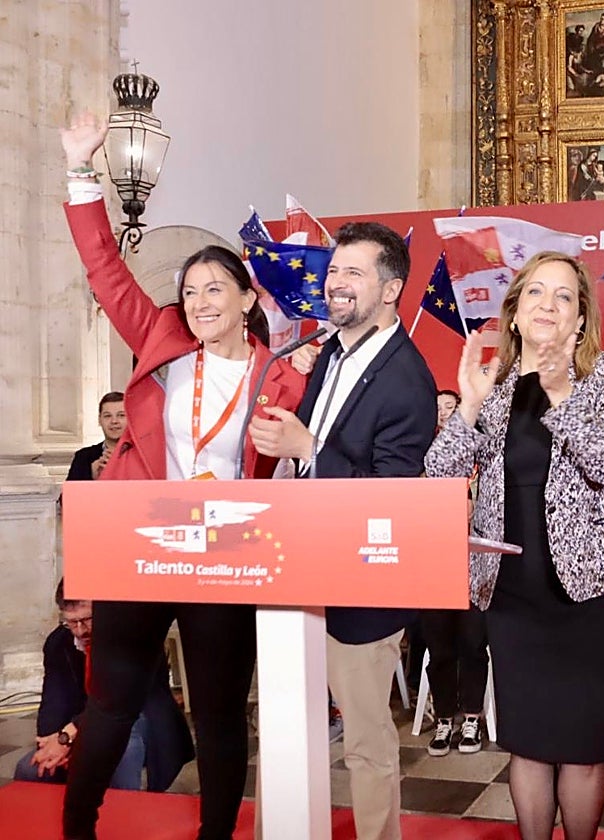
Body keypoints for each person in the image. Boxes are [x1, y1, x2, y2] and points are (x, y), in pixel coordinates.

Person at [59, 112, 307, 840]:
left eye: (214, 290)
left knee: (222, 712)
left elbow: (296, 465)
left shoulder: (279, 378)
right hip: (141, 540)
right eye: (191, 291)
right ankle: (77, 828)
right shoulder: (161, 338)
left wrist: (298, 445)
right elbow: (105, 268)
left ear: (247, 298)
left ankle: (216, 835)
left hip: (227, 553)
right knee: (110, 702)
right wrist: (81, 169)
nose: (199, 303)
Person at [426, 252, 604, 840]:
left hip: (593, 590)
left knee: (581, 745)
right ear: (515, 312)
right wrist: (468, 407)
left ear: (580, 319)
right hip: (513, 592)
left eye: (564, 296)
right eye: (536, 294)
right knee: (528, 741)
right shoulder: (493, 385)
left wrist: (559, 391)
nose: (548, 305)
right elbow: (439, 481)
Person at [249, 221, 436, 840]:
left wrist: (309, 449)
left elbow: (393, 495)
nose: (335, 283)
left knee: (364, 741)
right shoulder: (330, 352)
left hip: (364, 584)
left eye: (353, 273)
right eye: (334, 271)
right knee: (293, 727)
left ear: (391, 290)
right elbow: (307, 444)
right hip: (301, 568)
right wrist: (286, 442)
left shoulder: (407, 376)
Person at [14, 580, 192, 792]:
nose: (80, 631)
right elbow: (53, 703)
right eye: (71, 622)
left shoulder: (131, 637)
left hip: (138, 721)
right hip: (81, 729)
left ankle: (124, 812)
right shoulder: (58, 643)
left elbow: (118, 700)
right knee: (30, 768)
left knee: (121, 743)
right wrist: (51, 744)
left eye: (87, 619)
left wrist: (69, 736)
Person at [65, 393, 126, 481]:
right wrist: (91, 477)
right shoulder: (83, 457)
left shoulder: (143, 456)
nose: (114, 421)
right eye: (107, 416)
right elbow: (68, 494)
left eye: (121, 415)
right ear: (99, 420)